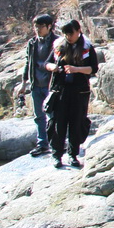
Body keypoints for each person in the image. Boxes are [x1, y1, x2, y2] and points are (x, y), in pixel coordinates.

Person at [45, 20, 97, 169]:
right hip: (60, 91)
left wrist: (76, 69)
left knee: (76, 123)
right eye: (66, 34)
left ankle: (73, 155)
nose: (68, 36)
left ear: (78, 31)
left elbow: (93, 68)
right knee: (57, 124)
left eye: (71, 33)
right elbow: (46, 64)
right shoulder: (59, 46)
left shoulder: (87, 47)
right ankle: (57, 155)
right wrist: (54, 67)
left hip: (79, 92)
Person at [18, 13, 56, 157]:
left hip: (50, 85)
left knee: (53, 115)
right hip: (36, 85)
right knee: (39, 116)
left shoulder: (56, 42)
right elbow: (28, 63)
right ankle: (42, 144)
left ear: (49, 27)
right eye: (36, 26)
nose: (38, 29)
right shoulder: (32, 43)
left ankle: (56, 143)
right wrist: (24, 84)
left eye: (41, 27)